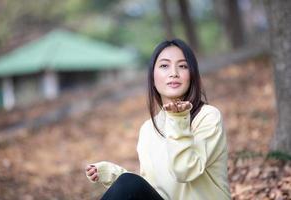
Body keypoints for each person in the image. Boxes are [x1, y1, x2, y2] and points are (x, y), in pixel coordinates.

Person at [85, 39, 231, 200]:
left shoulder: (208, 116)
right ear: (153, 78)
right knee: (128, 182)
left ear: (192, 75)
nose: (174, 73)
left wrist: (178, 119)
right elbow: (153, 188)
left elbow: (185, 171)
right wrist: (114, 175)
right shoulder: (148, 129)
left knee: (128, 182)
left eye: (182, 66)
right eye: (164, 66)